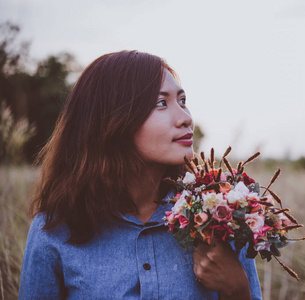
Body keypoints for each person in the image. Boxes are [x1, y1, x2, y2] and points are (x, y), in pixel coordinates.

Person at [18, 50, 262, 299]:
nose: (186, 118)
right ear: (112, 119)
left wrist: (237, 288)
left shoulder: (220, 217)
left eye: (182, 100)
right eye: (161, 103)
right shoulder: (55, 231)